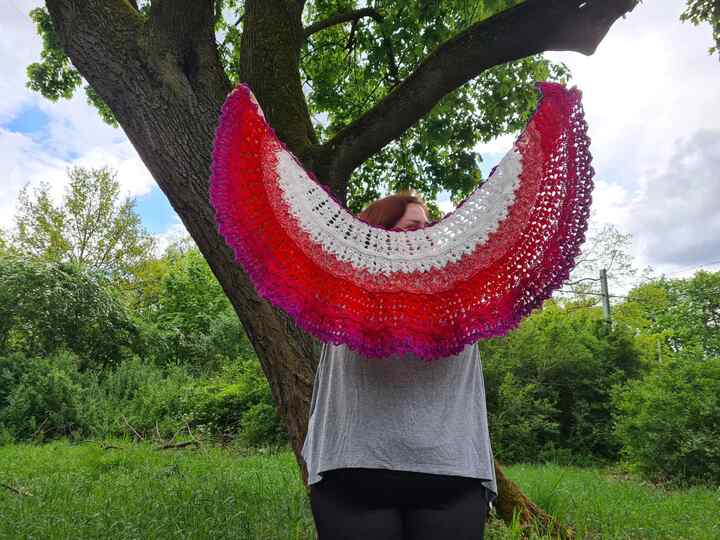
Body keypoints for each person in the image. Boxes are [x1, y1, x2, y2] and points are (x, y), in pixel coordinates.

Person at [301, 189, 498, 540]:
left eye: (428, 227)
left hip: (449, 471)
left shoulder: (460, 291)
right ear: (377, 234)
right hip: (355, 469)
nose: (424, 235)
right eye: (411, 228)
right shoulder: (342, 292)